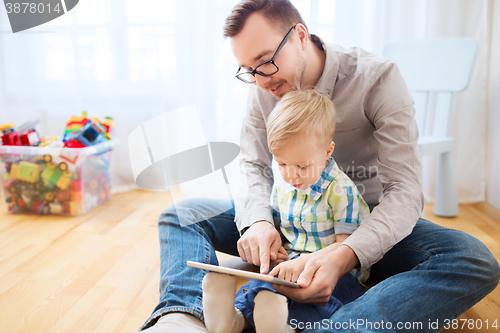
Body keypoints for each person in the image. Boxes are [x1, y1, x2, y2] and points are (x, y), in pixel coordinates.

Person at [140, 1, 500, 332]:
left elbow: (405, 191)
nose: (262, 80)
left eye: (265, 61)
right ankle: (182, 318)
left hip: (365, 222)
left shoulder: (377, 78)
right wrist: (259, 221)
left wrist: (343, 257)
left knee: (473, 259)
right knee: (180, 214)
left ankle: (333, 327)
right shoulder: (264, 86)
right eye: (249, 71)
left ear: (299, 36)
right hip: (289, 214)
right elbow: (252, 164)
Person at [201, 89, 370, 333]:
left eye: (302, 166)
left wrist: (304, 262)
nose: (291, 174)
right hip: (292, 263)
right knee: (263, 286)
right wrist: (276, 249)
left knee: (314, 298)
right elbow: (283, 230)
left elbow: (347, 247)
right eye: (281, 164)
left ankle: (281, 325)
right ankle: (236, 318)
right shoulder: (285, 186)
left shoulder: (342, 191)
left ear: (327, 151)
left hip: (333, 269)